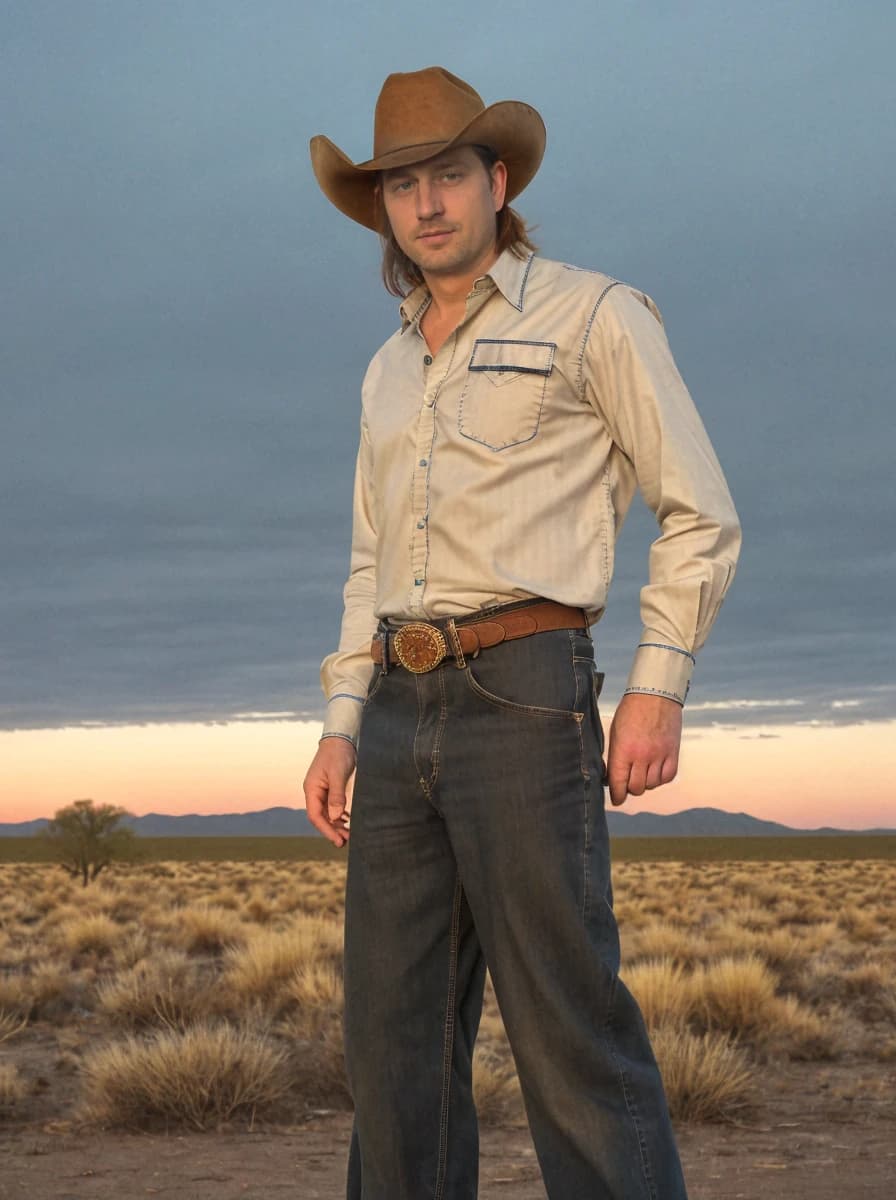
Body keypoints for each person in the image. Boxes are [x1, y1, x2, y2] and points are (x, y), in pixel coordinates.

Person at [303, 66, 741, 1200]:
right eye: (402, 185)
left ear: (495, 182)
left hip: (527, 689)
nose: (428, 204)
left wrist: (657, 685)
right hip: (396, 712)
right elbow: (369, 560)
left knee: (565, 1032)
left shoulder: (594, 314)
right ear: (382, 207)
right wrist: (341, 723)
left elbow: (697, 511)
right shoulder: (386, 367)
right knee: (392, 1046)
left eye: (448, 175)